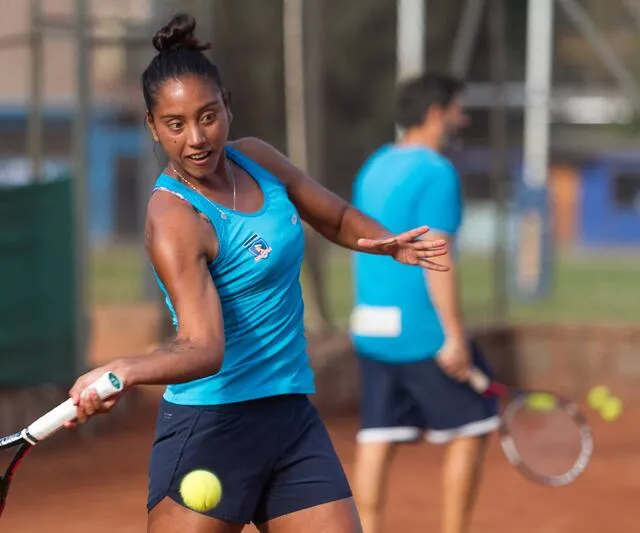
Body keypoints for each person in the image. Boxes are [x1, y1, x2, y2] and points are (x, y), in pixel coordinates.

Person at [64, 13, 448, 533]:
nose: (196, 138)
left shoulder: (258, 161)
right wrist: (125, 369)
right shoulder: (176, 218)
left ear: (227, 105)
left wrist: (384, 243)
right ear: (153, 126)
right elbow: (203, 347)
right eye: (175, 125)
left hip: (289, 415)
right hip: (211, 426)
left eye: (208, 115)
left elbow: (332, 215)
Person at [348, 72, 499, 533]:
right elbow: (436, 254)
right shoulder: (436, 171)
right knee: (474, 427)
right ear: (436, 114)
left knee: (377, 433)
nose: (463, 118)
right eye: (458, 109)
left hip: (369, 324)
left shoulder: (374, 164)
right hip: (421, 330)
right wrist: (454, 334)